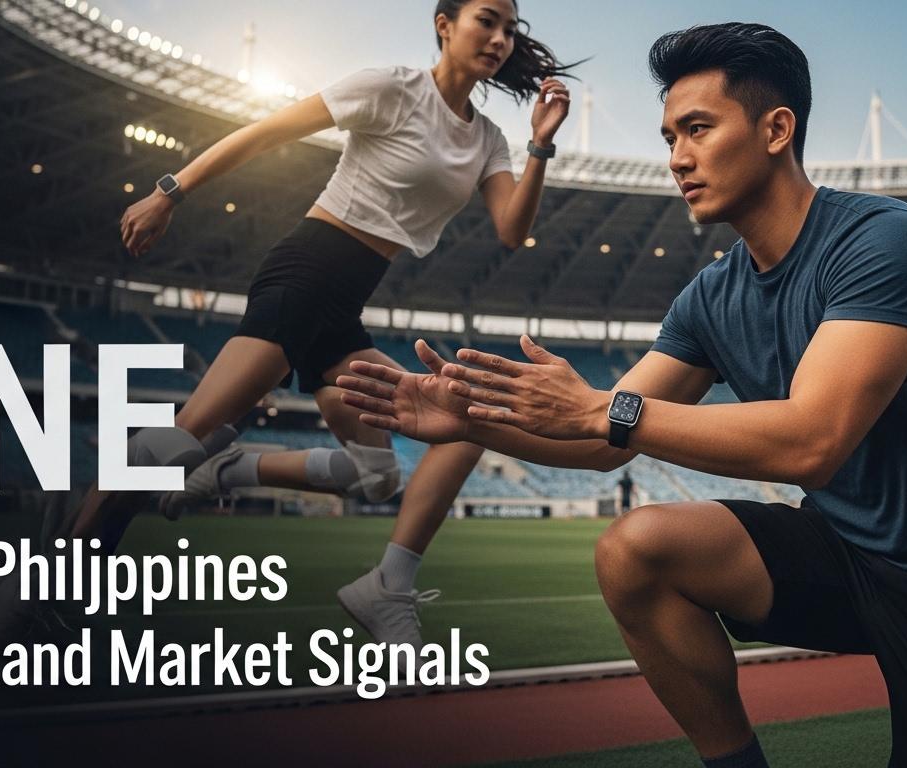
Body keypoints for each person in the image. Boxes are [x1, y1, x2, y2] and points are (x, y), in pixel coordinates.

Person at [336, 22, 907, 767]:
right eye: (670, 136)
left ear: (776, 130)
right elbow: (602, 441)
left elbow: (812, 442)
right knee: (637, 550)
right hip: (848, 555)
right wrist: (472, 421)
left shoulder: (883, 240)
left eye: (699, 129)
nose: (677, 157)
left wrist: (600, 407)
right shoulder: (712, 297)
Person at [67, 0, 575, 647]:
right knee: (175, 442)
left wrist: (541, 144)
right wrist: (171, 191)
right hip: (306, 273)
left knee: (416, 452)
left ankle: (270, 502)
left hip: (344, 305)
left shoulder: (489, 140)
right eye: (487, 19)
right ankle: (51, 588)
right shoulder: (391, 88)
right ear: (444, 24)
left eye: (510, 28)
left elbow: (511, 230)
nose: (501, 38)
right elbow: (267, 131)